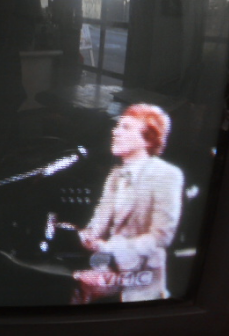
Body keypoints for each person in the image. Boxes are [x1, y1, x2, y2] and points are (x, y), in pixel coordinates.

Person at [72, 104, 183, 303]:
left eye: (126, 127)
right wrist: (85, 235)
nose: (115, 132)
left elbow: (161, 236)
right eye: (117, 126)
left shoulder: (167, 175)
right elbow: (99, 221)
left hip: (141, 278)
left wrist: (110, 247)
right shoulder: (115, 175)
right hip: (108, 268)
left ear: (148, 138)